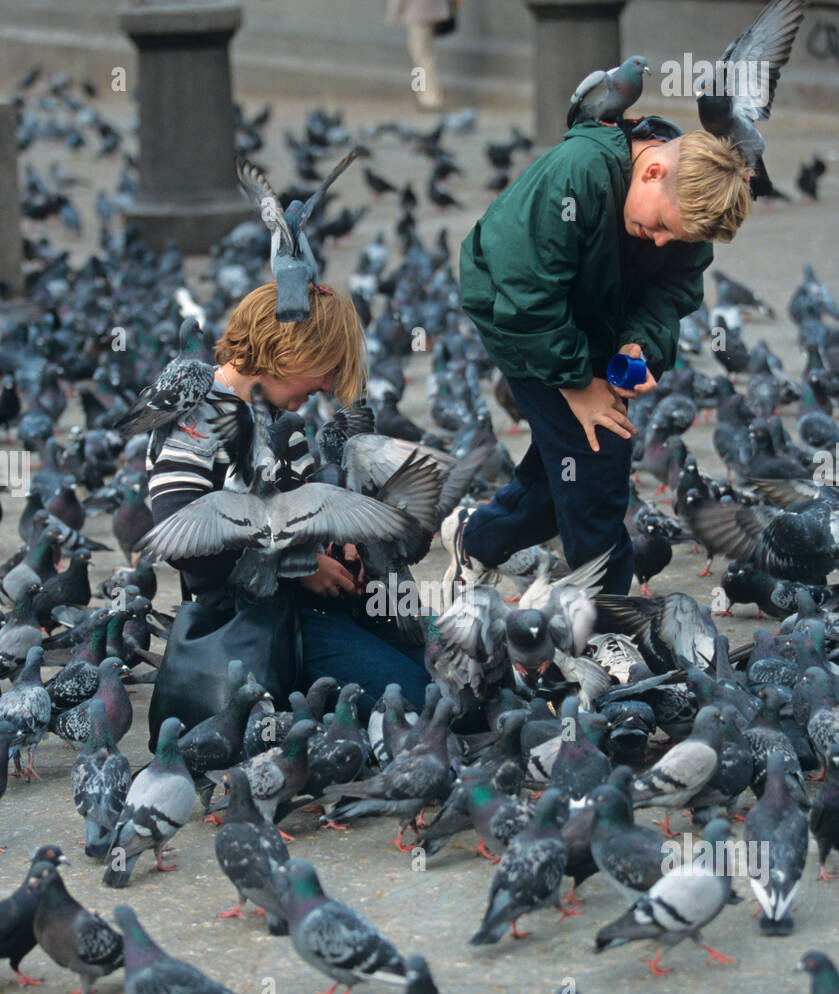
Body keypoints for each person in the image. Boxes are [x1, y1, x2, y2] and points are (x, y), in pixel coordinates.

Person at [452, 117, 753, 595]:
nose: (660, 242)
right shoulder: (578, 173)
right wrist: (577, 384)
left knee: (570, 466)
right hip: (516, 316)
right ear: (652, 171)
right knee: (596, 459)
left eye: (672, 238)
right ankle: (604, 617)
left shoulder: (687, 208)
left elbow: (673, 290)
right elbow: (528, 295)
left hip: (592, 316)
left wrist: (640, 345)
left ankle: (476, 538)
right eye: (659, 227)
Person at [147, 282, 430, 720]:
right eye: (327, 368)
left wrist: (341, 542)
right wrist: (301, 567)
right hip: (255, 622)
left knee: (450, 680)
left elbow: (303, 511)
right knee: (413, 703)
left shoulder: (282, 421)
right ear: (296, 352)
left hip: (315, 607)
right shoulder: (194, 418)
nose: (328, 384)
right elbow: (189, 550)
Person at [386, 0, 450, 112]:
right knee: (425, 54)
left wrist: (395, 5)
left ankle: (426, 96)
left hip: (417, 3)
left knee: (420, 55)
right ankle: (426, 94)